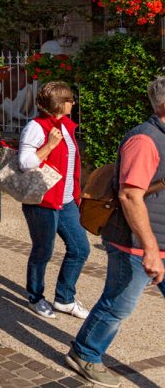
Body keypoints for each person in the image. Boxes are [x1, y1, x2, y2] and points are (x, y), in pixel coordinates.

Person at [67, 77, 165, 387]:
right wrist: (150, 249)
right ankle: (85, 353)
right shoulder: (145, 140)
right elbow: (129, 196)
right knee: (118, 304)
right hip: (136, 242)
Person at [18, 81, 90, 320]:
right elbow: (25, 162)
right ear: (60, 103)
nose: (74, 103)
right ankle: (35, 297)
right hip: (43, 201)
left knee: (80, 248)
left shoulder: (66, 127)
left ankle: (64, 299)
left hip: (66, 200)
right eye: (70, 99)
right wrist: (49, 145)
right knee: (43, 251)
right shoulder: (36, 127)